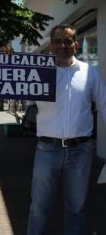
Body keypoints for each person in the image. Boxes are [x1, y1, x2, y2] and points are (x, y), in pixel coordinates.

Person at [27, 24, 106, 235]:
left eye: (68, 41)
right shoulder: (38, 73)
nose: (63, 45)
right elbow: (8, 84)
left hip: (81, 151)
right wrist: (5, 61)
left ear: (76, 45)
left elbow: (105, 106)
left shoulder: (90, 73)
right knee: (38, 209)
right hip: (47, 150)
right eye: (58, 41)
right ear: (50, 46)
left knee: (76, 210)